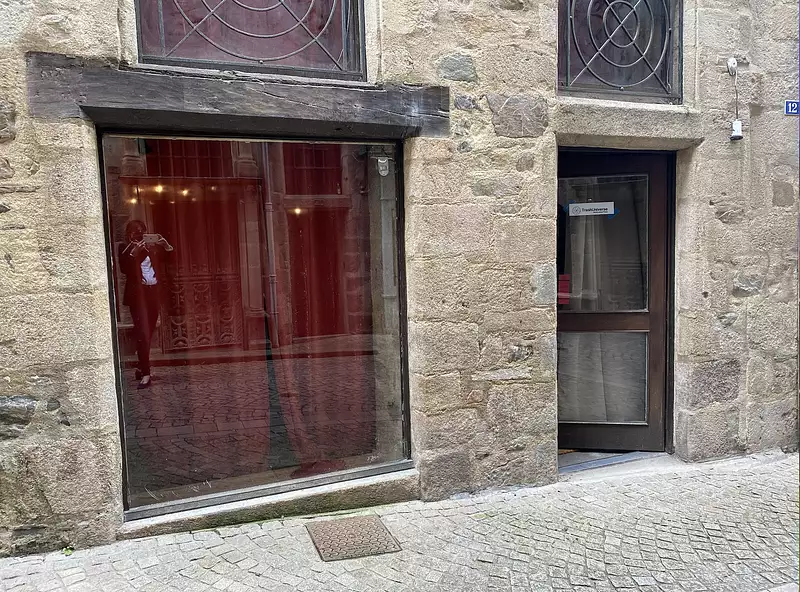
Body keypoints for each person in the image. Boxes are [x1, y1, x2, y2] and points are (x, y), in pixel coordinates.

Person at [118, 220, 173, 389]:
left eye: (142, 231)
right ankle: (146, 373)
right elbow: (124, 269)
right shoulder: (125, 248)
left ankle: (141, 366)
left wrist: (166, 245)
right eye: (135, 232)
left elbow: (169, 260)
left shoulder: (151, 248)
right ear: (129, 234)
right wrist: (134, 253)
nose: (139, 234)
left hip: (152, 294)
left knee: (147, 333)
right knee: (142, 332)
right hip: (137, 297)